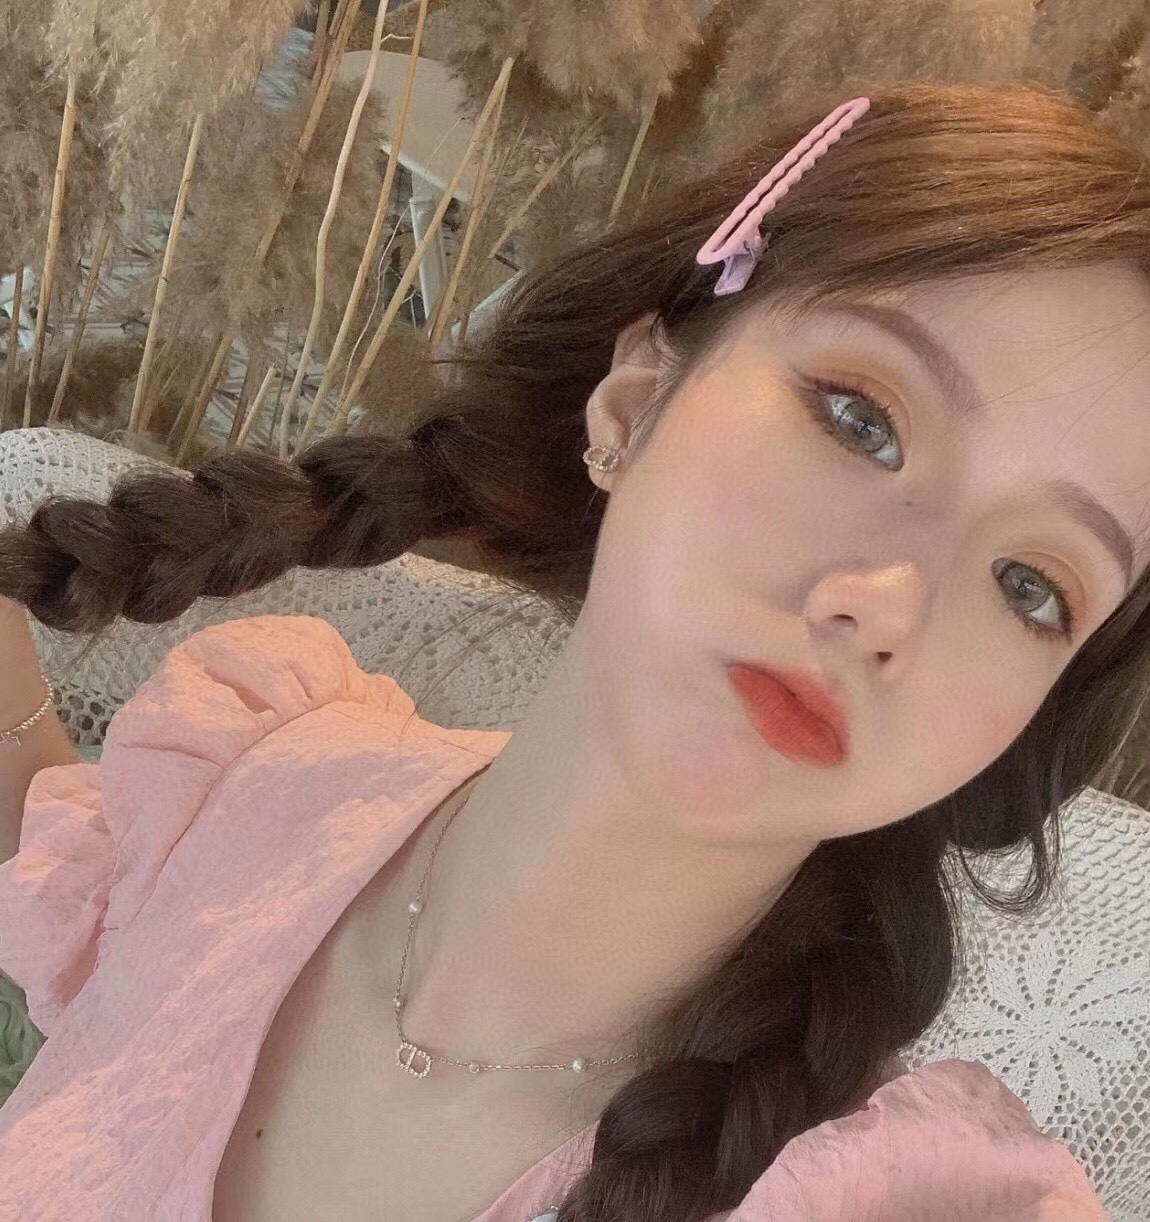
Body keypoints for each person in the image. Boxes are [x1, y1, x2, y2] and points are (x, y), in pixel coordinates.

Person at [0, 77, 1145, 1221]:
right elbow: (87, 916)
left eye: (1030, 586)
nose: (890, 609)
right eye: (863, 421)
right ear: (634, 398)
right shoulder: (254, 788)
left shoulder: (896, 1204)